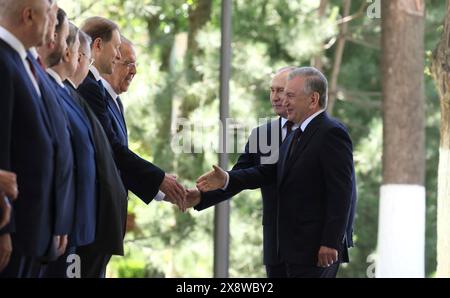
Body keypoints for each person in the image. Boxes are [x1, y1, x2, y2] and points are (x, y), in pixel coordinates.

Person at [196, 67, 356, 278]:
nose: (281, 100)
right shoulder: (293, 134)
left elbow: (342, 192)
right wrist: (223, 180)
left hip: (315, 248)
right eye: (276, 92)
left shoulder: (331, 132)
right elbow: (267, 173)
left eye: (289, 94)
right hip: (285, 248)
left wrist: (331, 241)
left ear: (312, 99)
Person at [184, 67, 298, 277]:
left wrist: (335, 238)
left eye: (281, 91)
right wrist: (201, 196)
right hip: (276, 246)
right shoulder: (263, 133)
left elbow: (343, 189)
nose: (274, 97)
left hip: (315, 245)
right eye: (272, 90)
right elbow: (237, 178)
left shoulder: (321, 130)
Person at [78, 17, 186, 209]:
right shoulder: (92, 90)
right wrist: (159, 178)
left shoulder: (113, 101)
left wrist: (161, 191)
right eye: (127, 62)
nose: (134, 71)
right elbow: (112, 150)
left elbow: (119, 163)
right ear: (98, 46)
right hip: (97, 207)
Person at [0, 0, 58, 277]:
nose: (52, 23)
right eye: (48, 14)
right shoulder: (2, 60)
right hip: (14, 230)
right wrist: (3, 229)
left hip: (33, 230)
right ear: (29, 16)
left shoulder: (21, 61)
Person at [65, 29, 128, 278]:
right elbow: (112, 151)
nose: (118, 55)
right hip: (81, 223)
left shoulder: (96, 91)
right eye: (118, 48)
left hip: (90, 223)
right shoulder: (87, 90)